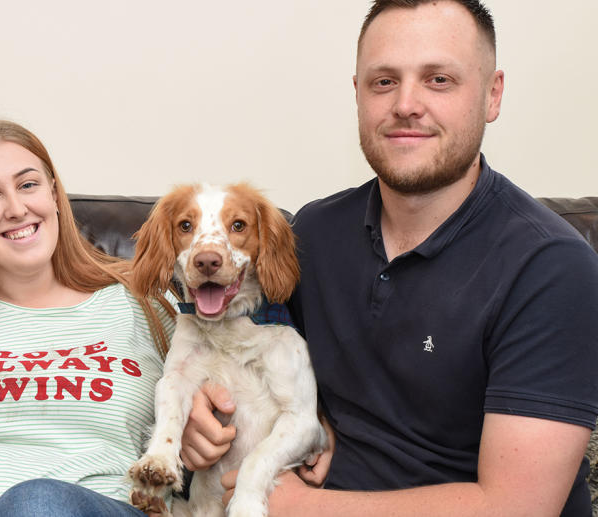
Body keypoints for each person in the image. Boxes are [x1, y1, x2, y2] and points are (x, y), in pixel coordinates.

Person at [182, 1, 598, 516]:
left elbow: (516, 506)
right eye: (383, 82)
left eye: (439, 79)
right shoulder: (312, 232)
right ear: (357, 93)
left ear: (492, 95)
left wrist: (302, 509)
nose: (406, 104)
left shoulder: (550, 266)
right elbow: (255, 355)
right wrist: (204, 416)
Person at [0, 120, 175, 517]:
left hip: (98, 502)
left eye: (28, 185)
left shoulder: (143, 301)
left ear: (55, 194)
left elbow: (227, 385)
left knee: (35, 502)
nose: (16, 209)